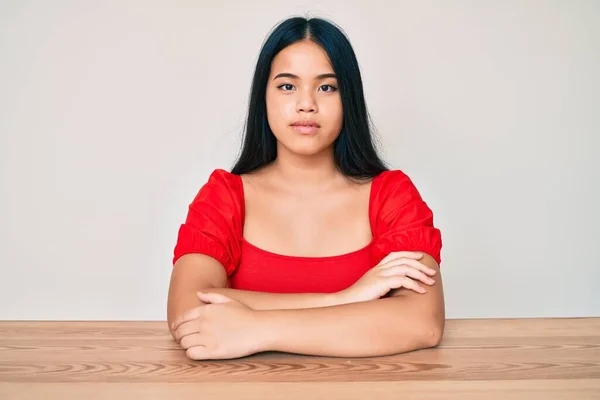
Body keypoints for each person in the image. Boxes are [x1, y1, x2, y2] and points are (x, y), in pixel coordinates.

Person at [167, 15, 444, 360]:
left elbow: (421, 322)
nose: (306, 104)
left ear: (349, 99)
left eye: (327, 87)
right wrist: (346, 298)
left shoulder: (393, 196)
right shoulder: (224, 196)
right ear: (263, 96)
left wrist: (255, 328)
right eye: (287, 86)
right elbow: (188, 312)